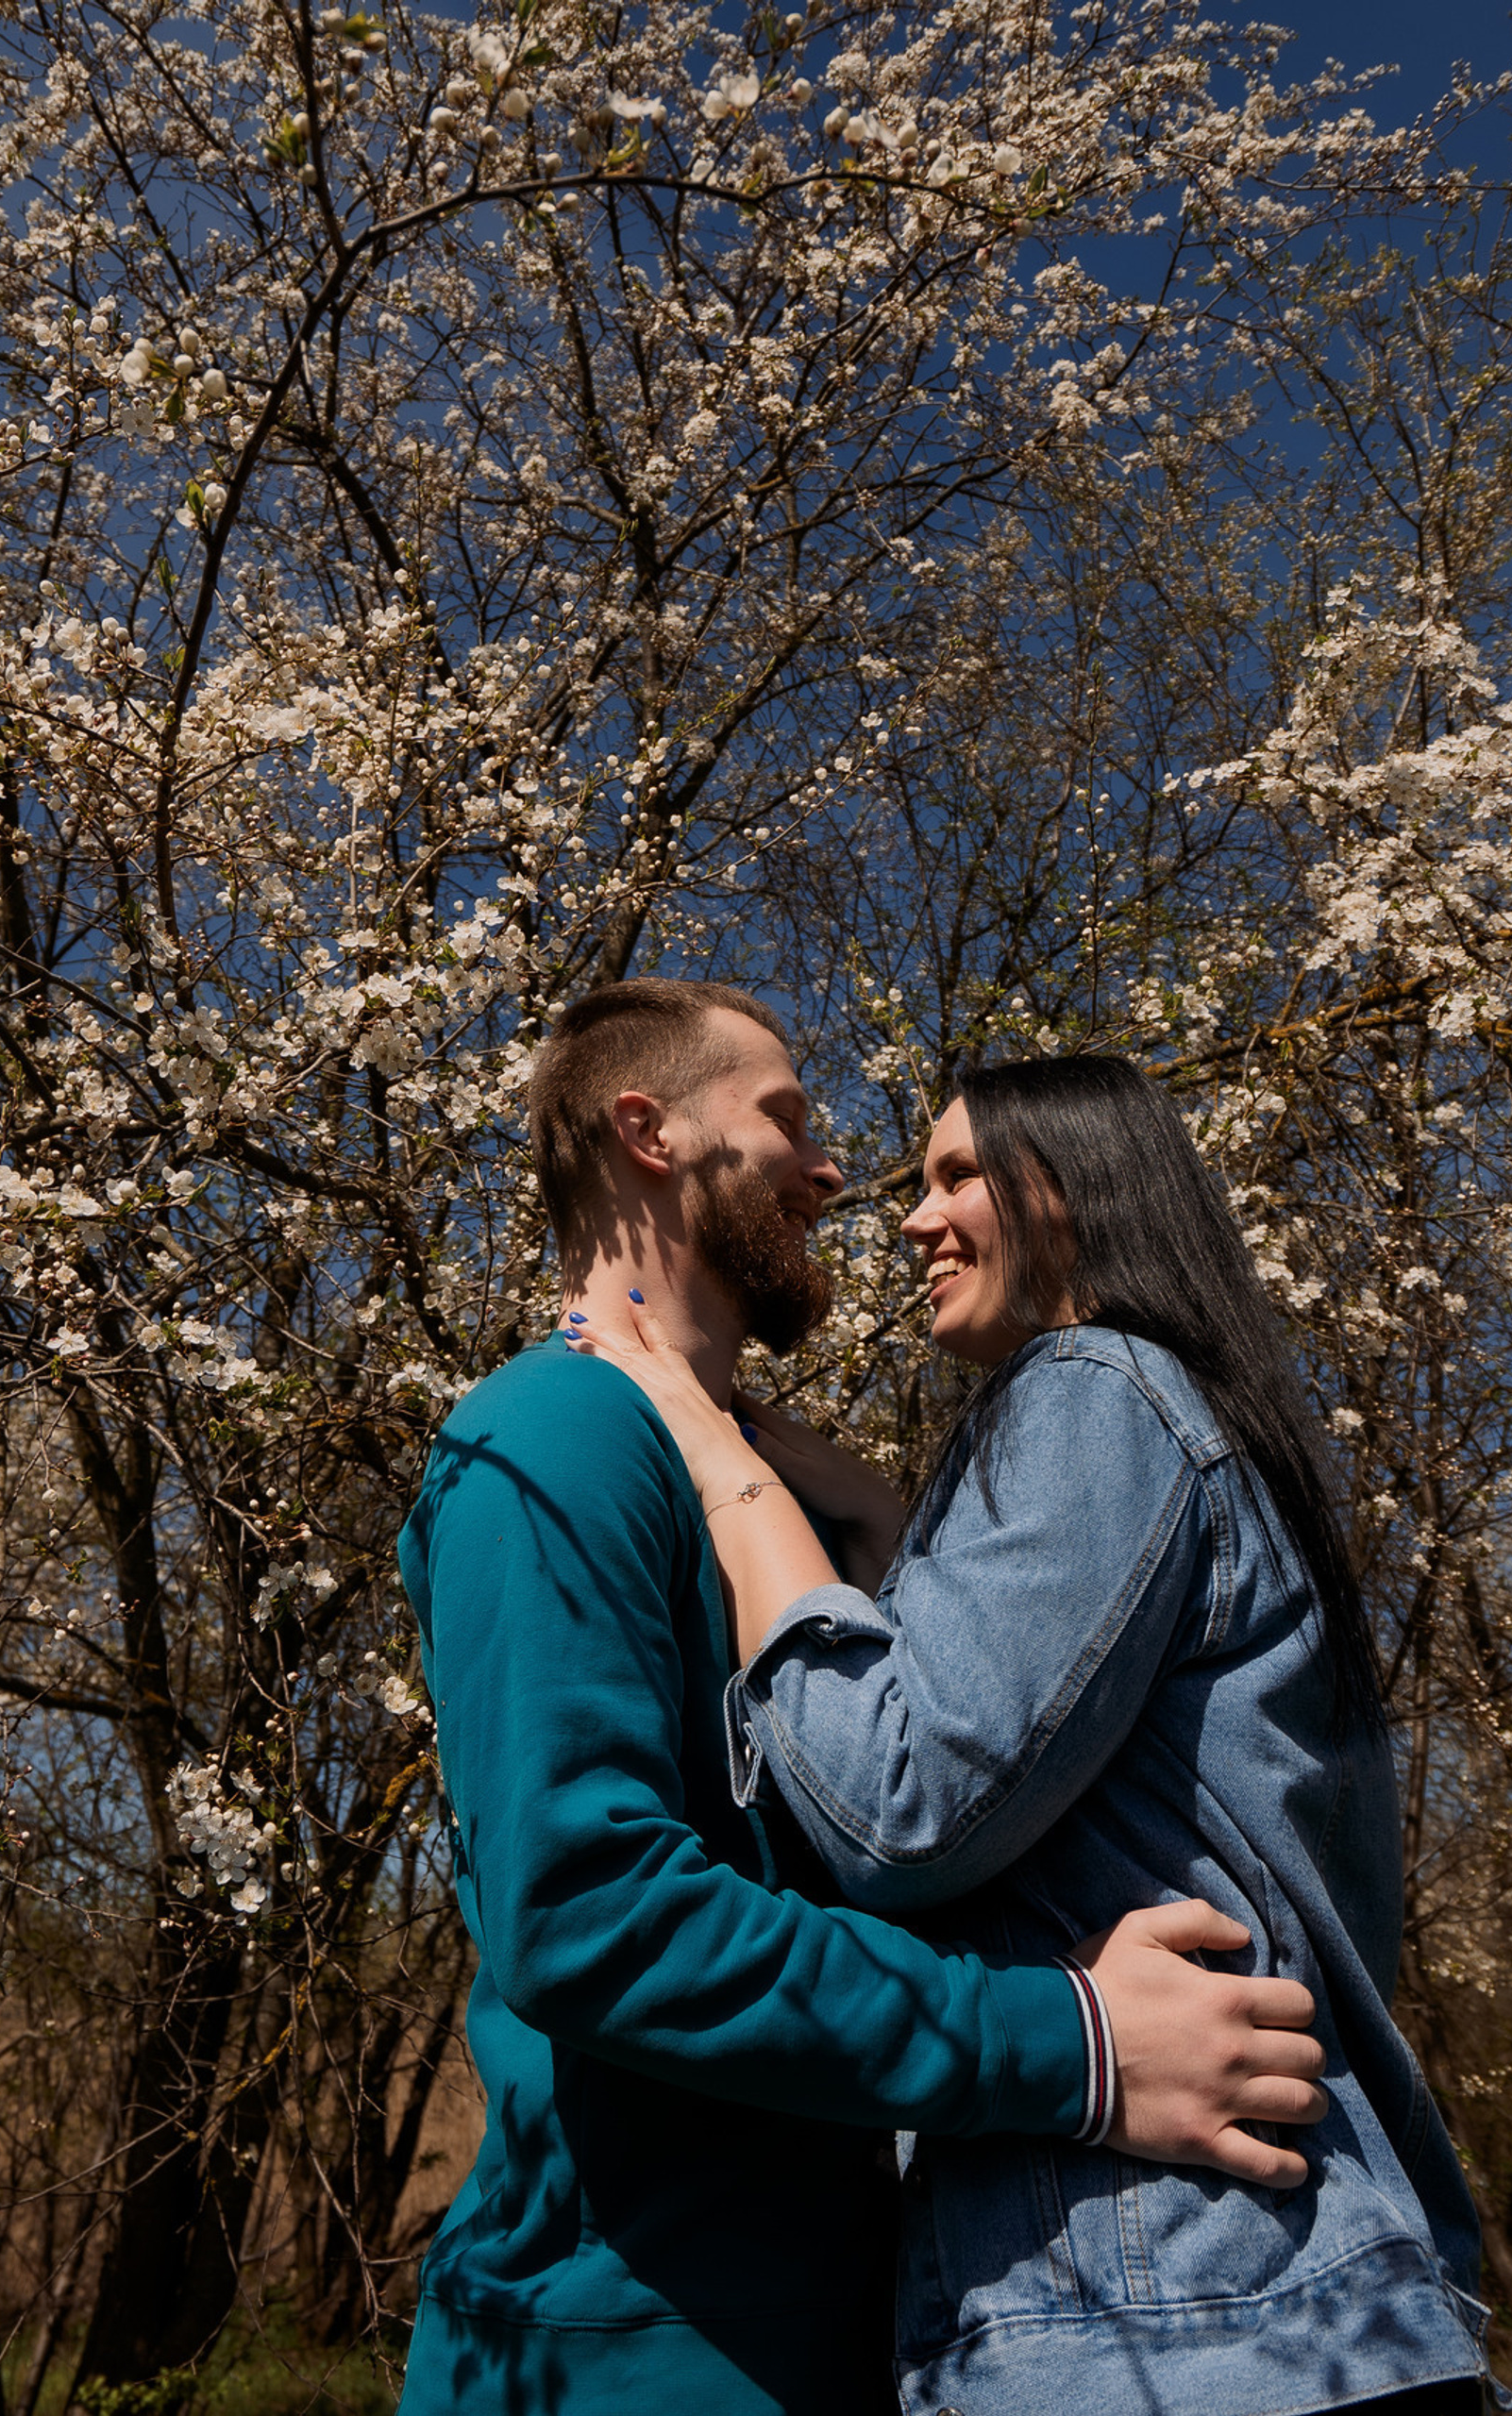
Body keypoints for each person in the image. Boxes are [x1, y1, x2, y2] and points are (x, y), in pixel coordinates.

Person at [396, 985, 1335, 2416]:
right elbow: (586, 1911)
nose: (838, 1172)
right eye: (786, 1119)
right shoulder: (549, 1436)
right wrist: (1067, 2044)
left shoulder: (801, 1529)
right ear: (649, 1132)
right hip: (625, 2354)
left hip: (865, 2332)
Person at [568, 1052, 1497, 2416]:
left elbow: (902, 1805)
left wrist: (723, 1465)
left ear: (1068, 1191)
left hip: (1169, 2315)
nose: (910, 1216)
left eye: (957, 1175)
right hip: (1272, 2315)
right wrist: (886, 1525)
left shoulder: (1097, 1390)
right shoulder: (1189, 1419)